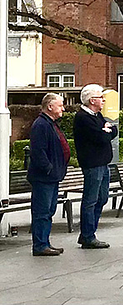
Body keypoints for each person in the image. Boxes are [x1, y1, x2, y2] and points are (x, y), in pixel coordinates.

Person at [74, 84, 118, 249]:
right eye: (101, 97)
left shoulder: (97, 116)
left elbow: (113, 131)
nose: (104, 100)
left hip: (103, 163)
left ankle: (89, 232)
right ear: (92, 100)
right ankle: (87, 235)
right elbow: (100, 137)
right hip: (92, 164)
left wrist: (108, 130)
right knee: (91, 200)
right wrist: (105, 132)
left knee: (102, 198)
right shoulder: (83, 118)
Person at [27, 93, 71, 256]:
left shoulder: (50, 124)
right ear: (50, 106)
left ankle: (45, 242)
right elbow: (38, 151)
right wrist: (49, 168)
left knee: (49, 210)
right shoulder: (41, 125)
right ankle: (40, 245)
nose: (63, 109)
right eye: (60, 105)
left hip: (52, 176)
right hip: (44, 177)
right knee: (42, 211)